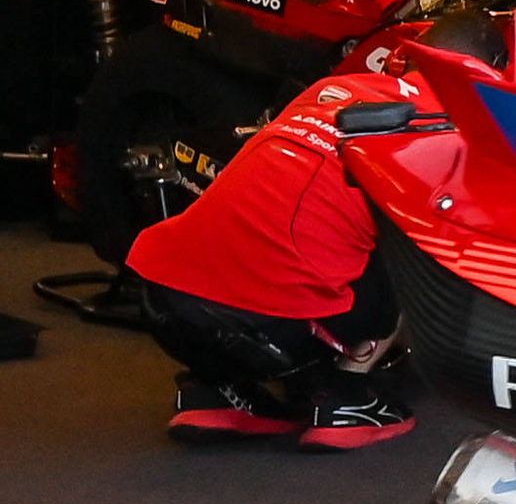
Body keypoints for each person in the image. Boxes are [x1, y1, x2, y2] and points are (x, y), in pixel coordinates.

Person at [120, 66, 414, 449]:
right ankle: (344, 394)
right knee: (415, 253)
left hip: (160, 301)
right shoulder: (441, 120)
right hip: (273, 318)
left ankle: (214, 391)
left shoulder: (331, 87)